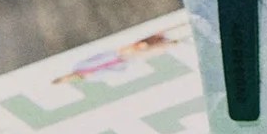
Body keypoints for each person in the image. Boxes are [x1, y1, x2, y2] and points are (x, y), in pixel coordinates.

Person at [53, 28, 185, 86]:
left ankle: (159, 37)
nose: (69, 78)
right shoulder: (89, 79)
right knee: (143, 53)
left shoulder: (79, 67)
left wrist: (111, 53)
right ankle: (168, 43)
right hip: (118, 63)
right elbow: (106, 74)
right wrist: (119, 68)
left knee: (139, 46)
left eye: (66, 78)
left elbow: (95, 58)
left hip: (113, 56)